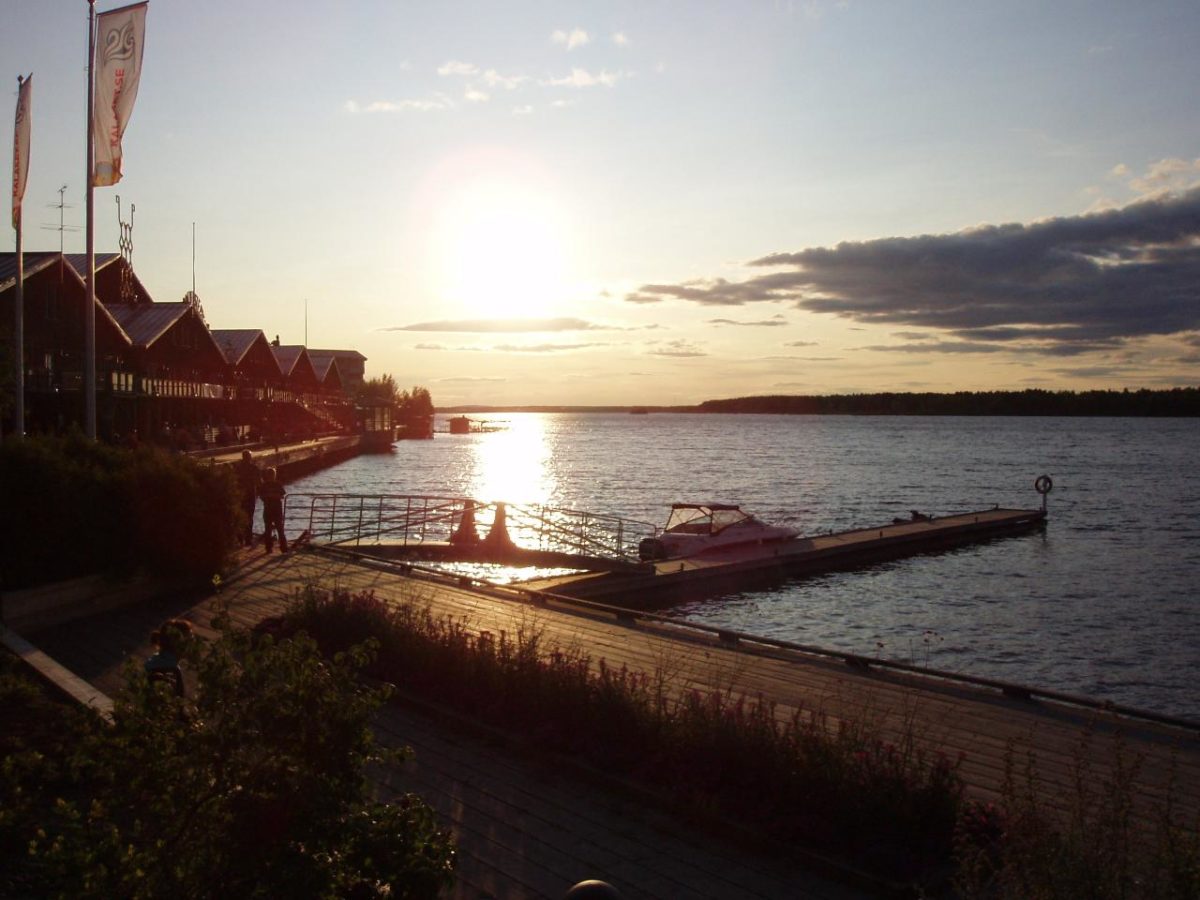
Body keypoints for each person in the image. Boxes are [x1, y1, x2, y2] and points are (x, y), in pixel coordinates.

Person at [144, 618, 194, 697]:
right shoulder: (169, 673)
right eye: (189, 640)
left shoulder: (156, 662)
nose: (194, 645)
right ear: (176, 644)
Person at [259, 466, 288, 553]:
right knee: (277, 528)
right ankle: (283, 548)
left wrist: (269, 496)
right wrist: (274, 496)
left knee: (270, 529)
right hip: (275, 509)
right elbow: (281, 495)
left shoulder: (265, 485)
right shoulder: (277, 485)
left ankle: (270, 548)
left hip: (269, 509)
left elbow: (262, 496)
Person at [235, 450, 260, 546]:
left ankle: (240, 538)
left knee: (241, 515)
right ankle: (248, 539)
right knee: (250, 516)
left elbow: (235, 480)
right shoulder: (254, 468)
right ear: (250, 458)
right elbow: (259, 482)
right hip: (250, 494)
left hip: (241, 494)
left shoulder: (238, 468)